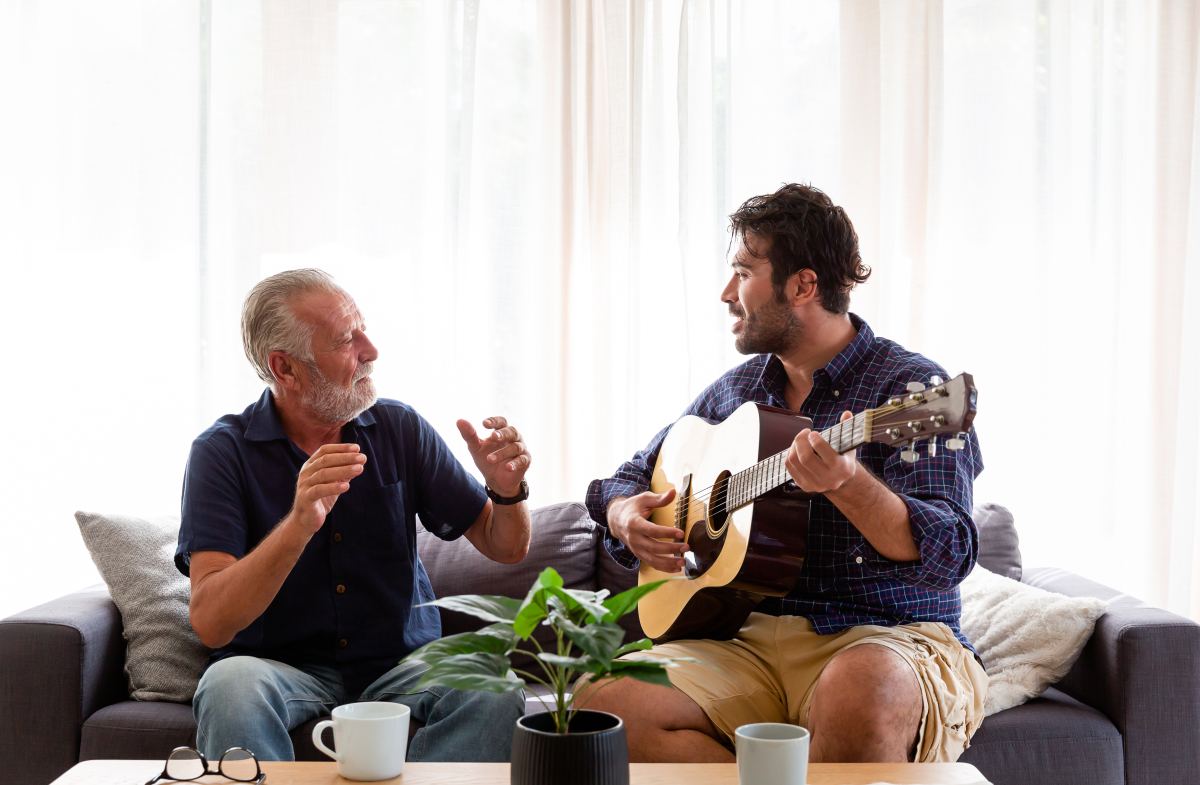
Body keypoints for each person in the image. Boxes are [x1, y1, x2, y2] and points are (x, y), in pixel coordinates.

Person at [583, 184, 987, 764]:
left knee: (860, 692)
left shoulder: (913, 392)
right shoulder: (736, 393)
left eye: (743, 272)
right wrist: (625, 515)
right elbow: (624, 480)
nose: (726, 293)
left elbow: (950, 552)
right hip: (743, 639)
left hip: (885, 637)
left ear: (802, 285)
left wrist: (850, 486)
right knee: (606, 707)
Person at [177, 269, 532, 762]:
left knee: (491, 683)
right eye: (346, 339)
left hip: (402, 663)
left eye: (363, 328)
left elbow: (505, 545)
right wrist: (299, 523)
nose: (371, 349)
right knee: (228, 685)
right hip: (280, 669)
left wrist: (507, 491)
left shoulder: (399, 427)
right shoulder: (221, 453)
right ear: (286, 369)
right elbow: (212, 623)